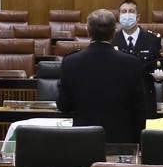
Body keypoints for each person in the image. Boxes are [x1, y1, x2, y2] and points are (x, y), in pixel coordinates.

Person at [57, 9, 146, 144]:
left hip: (83, 139)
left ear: (88, 30)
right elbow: (139, 109)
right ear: (114, 31)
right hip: (121, 140)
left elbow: (64, 105)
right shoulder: (132, 63)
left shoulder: (70, 62)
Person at [115, 0, 163, 117]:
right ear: (119, 17)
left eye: (131, 11)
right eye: (124, 11)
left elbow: (160, 65)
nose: (127, 15)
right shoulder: (112, 40)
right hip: (119, 99)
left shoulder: (152, 39)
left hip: (145, 98)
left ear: (138, 17)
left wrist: (160, 77)